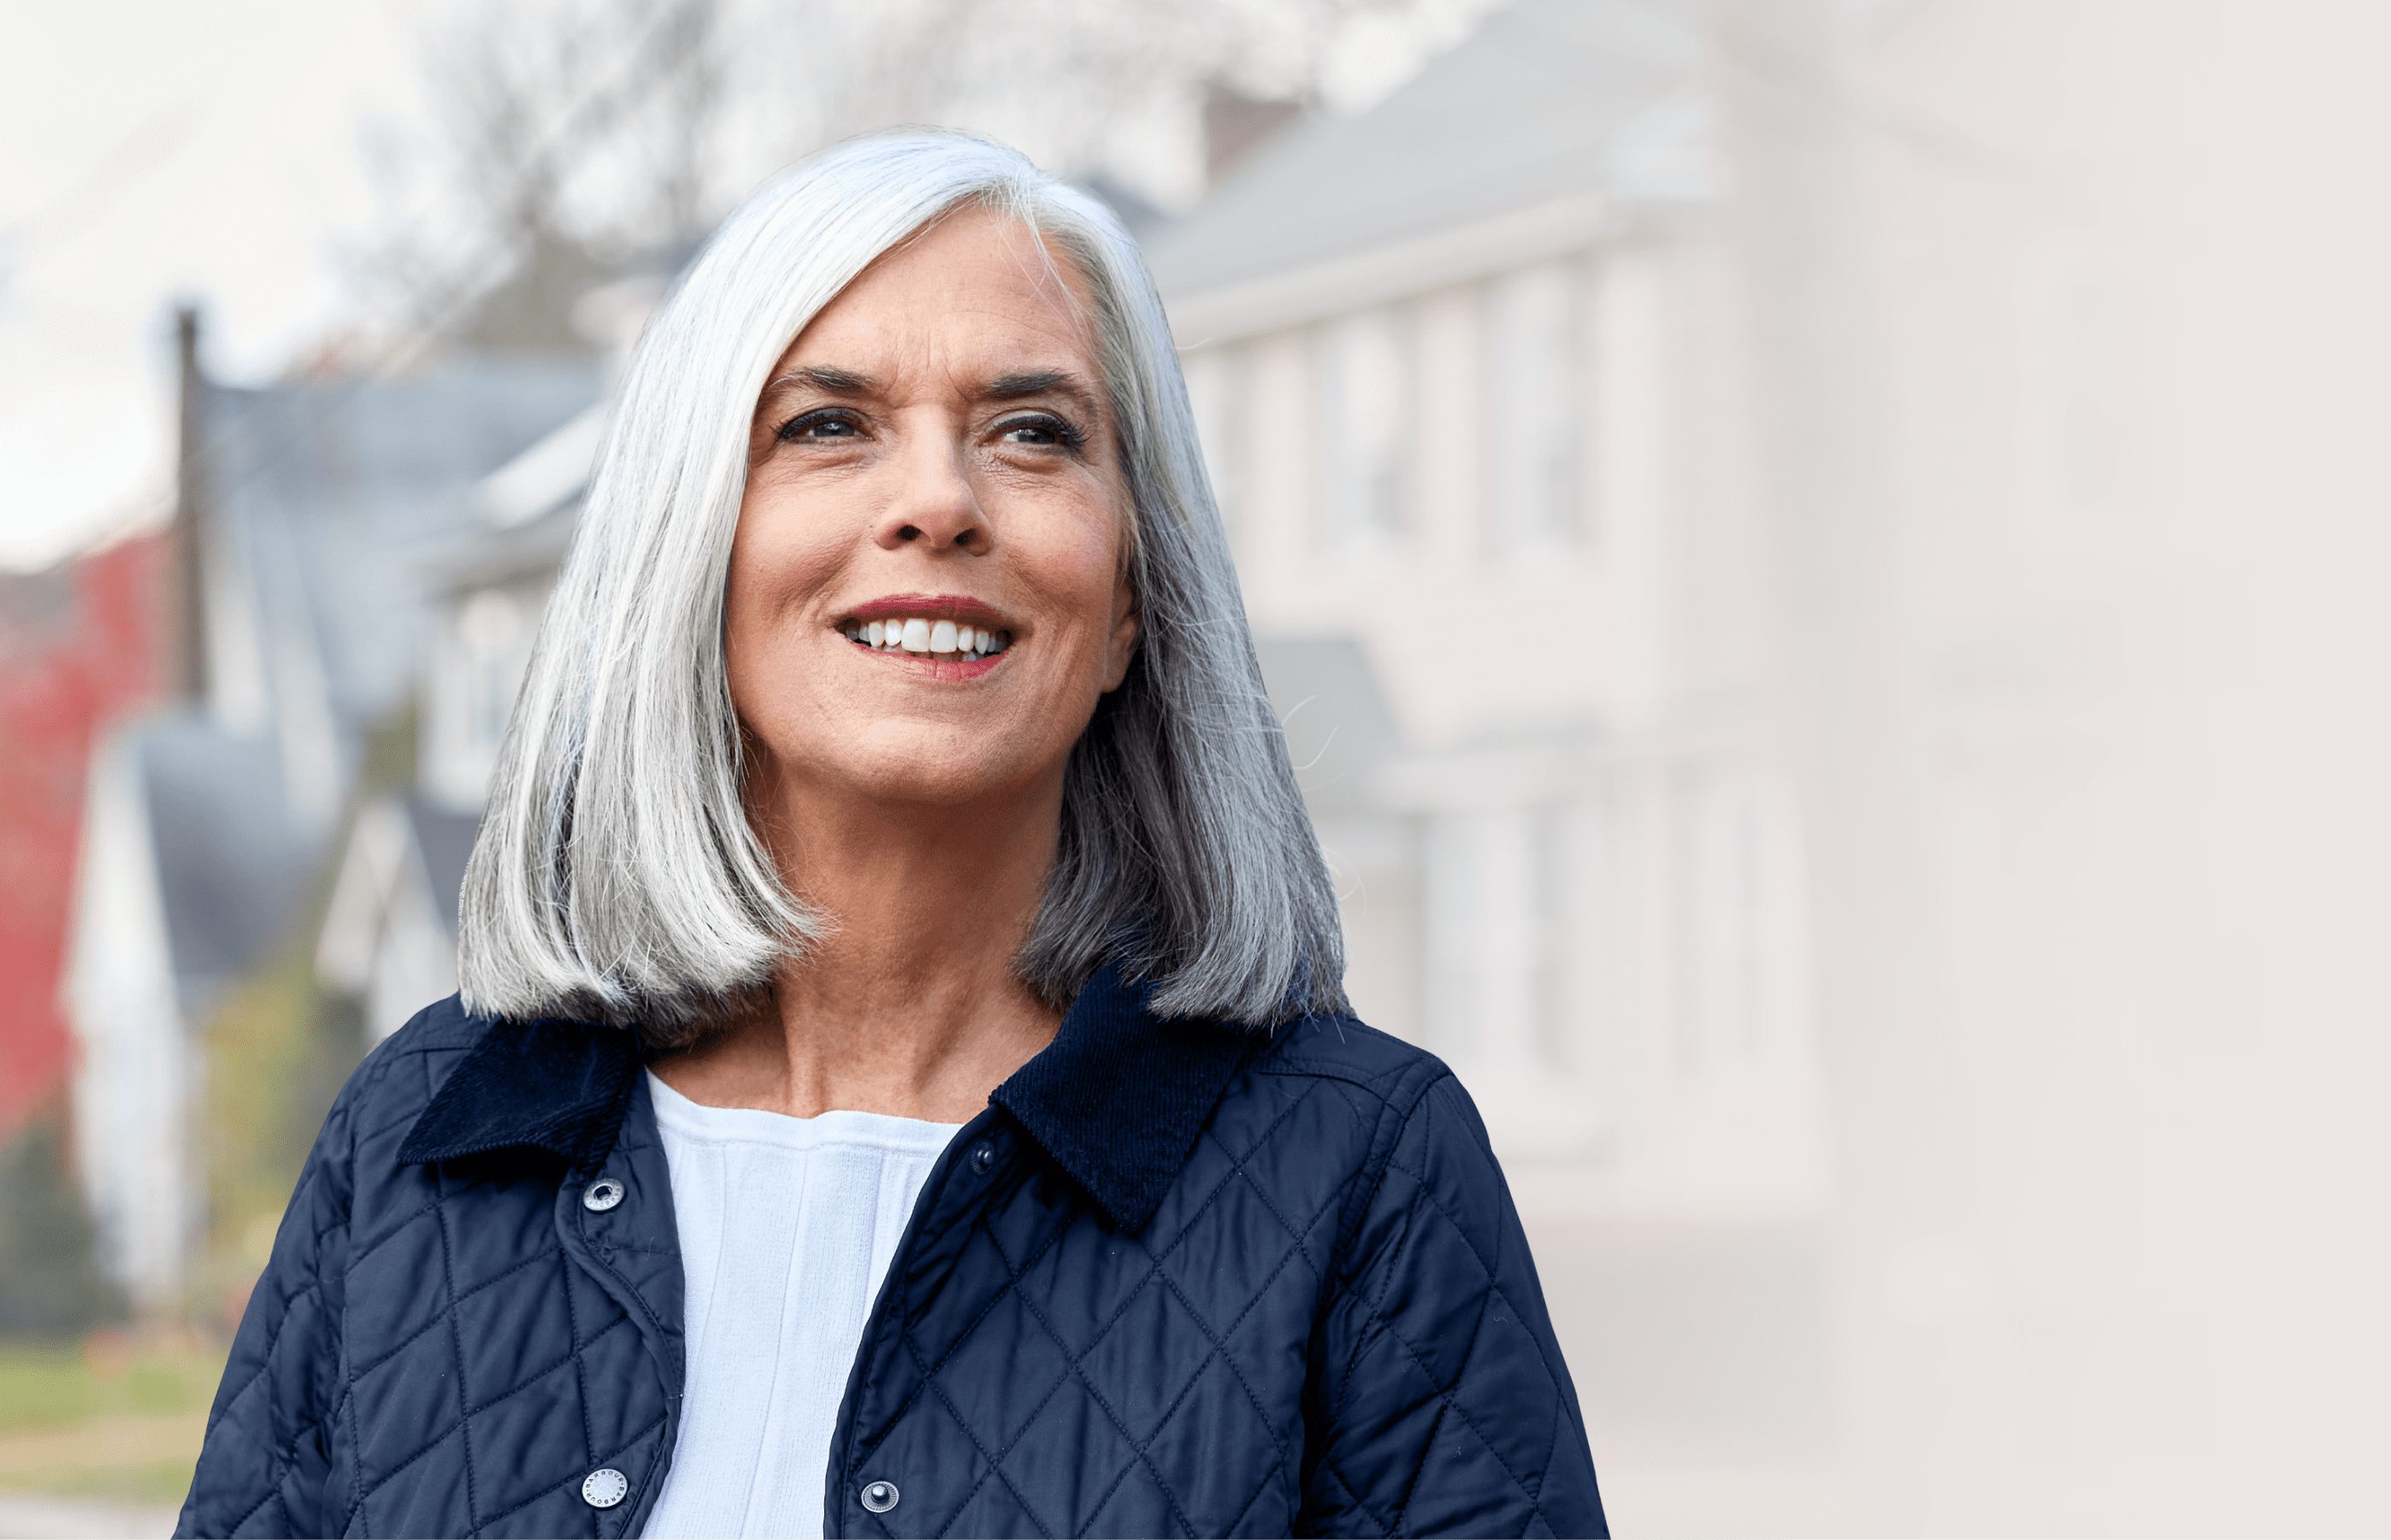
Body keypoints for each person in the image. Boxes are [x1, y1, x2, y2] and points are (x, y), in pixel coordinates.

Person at [177, 130, 1606, 1540]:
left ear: (1127, 605)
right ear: (695, 555)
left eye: (1035, 432)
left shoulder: (1354, 1167)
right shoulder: (421, 1140)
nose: (938, 502)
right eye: (829, 425)